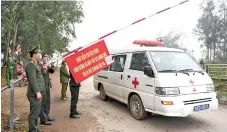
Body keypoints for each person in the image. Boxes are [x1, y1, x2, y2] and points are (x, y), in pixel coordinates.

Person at [25, 46, 45, 132]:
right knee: (34, 113)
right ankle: (32, 130)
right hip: (34, 94)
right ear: (34, 54)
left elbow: (37, 77)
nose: (40, 54)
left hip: (37, 93)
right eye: (39, 53)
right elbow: (33, 80)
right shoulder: (31, 65)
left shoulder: (36, 64)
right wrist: (37, 92)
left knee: (36, 112)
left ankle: (35, 128)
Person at [38, 53, 55, 125]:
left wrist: (52, 66)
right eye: (45, 56)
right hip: (41, 86)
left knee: (47, 101)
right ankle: (43, 119)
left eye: (46, 57)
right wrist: (41, 67)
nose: (46, 58)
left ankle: (46, 116)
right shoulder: (38, 64)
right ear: (41, 57)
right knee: (43, 103)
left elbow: (51, 71)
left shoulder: (46, 64)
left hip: (47, 85)